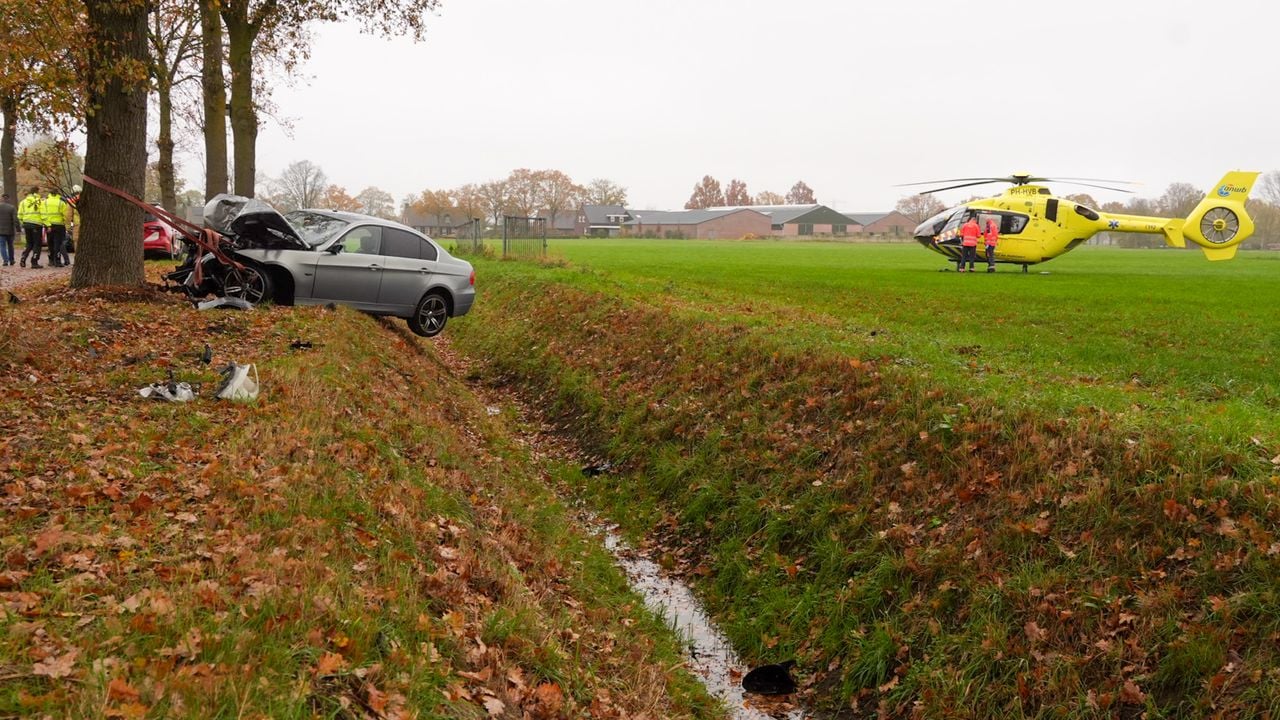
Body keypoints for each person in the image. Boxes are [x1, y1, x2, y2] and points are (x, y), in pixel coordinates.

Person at [39, 189, 71, 267]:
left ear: (50, 194)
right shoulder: (61, 203)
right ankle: (57, 261)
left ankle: (51, 260)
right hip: (59, 225)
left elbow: (43, 214)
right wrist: (67, 225)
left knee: (50, 244)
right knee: (58, 243)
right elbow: (66, 215)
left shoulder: (45, 202)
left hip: (49, 226)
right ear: (57, 194)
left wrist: (48, 225)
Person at [18, 187, 44, 268]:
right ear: (37, 192)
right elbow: (43, 213)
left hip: (26, 224)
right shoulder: (40, 201)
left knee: (29, 243)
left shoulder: (23, 202)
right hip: (37, 224)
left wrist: (23, 222)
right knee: (37, 243)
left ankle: (23, 257)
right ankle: (34, 261)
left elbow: (19, 215)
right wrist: (45, 223)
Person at [0, 193, 17, 266]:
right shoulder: (12, 208)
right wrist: (18, 229)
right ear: (8, 199)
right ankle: (12, 260)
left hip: (0, 231)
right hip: (10, 230)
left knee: (2, 246)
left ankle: (5, 261)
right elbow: (15, 219)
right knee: (10, 245)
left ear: (2, 199)